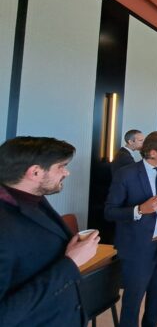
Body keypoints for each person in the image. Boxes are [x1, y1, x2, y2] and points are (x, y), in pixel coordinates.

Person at [0, 136, 100, 326]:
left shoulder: (35, 198)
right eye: (61, 166)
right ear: (35, 172)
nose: (67, 172)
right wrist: (71, 263)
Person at [105, 131, 157, 327]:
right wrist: (140, 210)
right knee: (133, 302)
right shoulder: (126, 174)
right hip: (137, 247)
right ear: (152, 153)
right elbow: (110, 211)